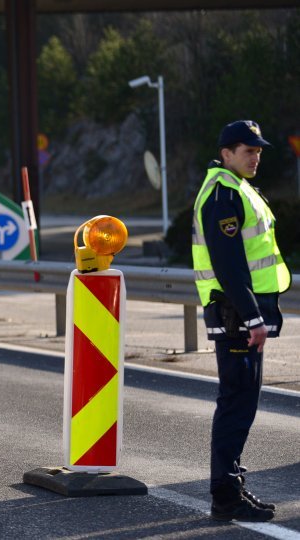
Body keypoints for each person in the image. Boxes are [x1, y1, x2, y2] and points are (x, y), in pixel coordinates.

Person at [192, 120, 290, 522]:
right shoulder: (222, 194)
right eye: (248, 150)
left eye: (258, 150)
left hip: (244, 316)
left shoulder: (240, 189)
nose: (256, 156)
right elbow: (229, 266)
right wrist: (252, 317)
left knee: (242, 402)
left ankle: (230, 487)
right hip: (237, 317)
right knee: (236, 403)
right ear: (227, 153)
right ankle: (226, 495)